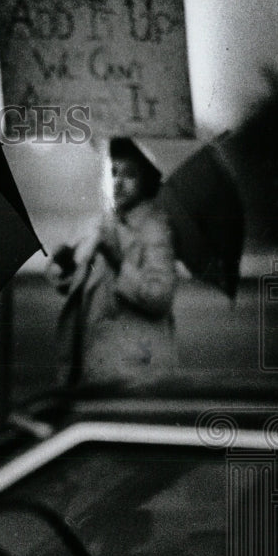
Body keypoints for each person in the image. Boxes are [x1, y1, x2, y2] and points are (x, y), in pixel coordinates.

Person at [48, 137, 178, 388]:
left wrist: (118, 260)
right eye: (113, 173)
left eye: (129, 175)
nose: (118, 182)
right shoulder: (104, 225)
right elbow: (85, 288)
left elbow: (160, 296)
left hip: (135, 371)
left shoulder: (155, 230)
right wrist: (67, 266)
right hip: (98, 361)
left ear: (146, 181)